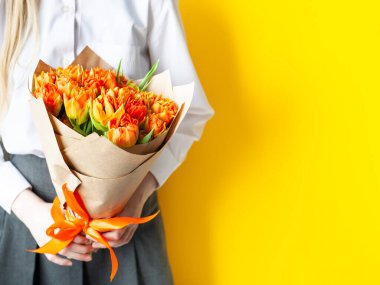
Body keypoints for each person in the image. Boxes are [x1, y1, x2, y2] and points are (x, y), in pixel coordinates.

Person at [0, 0, 214, 284]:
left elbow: (190, 112)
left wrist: (137, 198)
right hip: (27, 221)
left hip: (128, 224)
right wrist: (31, 211)